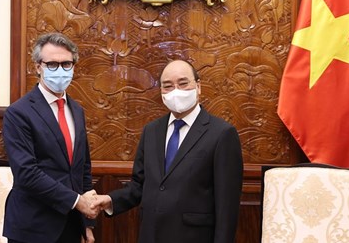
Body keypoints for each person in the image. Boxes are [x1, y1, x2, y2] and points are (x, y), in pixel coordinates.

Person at [92, 60, 244, 243]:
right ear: (161, 92)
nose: (176, 91)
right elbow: (139, 185)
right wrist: (110, 200)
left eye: (183, 83)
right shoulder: (152, 130)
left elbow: (226, 206)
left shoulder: (222, 133)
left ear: (198, 86)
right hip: (151, 235)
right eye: (168, 86)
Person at [3, 32, 98, 243]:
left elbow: (82, 168)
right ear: (38, 67)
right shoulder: (18, 112)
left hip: (72, 225)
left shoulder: (77, 110)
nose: (60, 70)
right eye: (52, 64)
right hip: (33, 226)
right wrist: (77, 201)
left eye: (66, 64)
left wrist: (87, 225)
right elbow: (26, 173)